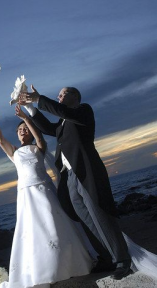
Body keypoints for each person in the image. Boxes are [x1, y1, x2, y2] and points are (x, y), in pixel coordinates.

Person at [18, 86, 132, 280]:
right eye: (59, 94)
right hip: (69, 176)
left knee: (101, 215)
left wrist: (39, 99)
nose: (59, 96)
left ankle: (122, 261)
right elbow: (48, 128)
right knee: (86, 221)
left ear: (75, 97)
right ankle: (105, 258)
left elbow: (63, 111)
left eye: (63, 94)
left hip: (86, 173)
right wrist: (31, 109)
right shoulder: (63, 122)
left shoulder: (83, 111)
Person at [0, 104, 93, 288]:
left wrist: (26, 118)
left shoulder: (38, 148)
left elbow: (40, 137)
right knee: (32, 231)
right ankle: (42, 269)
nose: (22, 131)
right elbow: (0, 139)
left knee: (54, 225)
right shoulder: (14, 152)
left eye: (25, 129)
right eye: (19, 130)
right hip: (26, 194)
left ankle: (66, 264)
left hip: (44, 190)